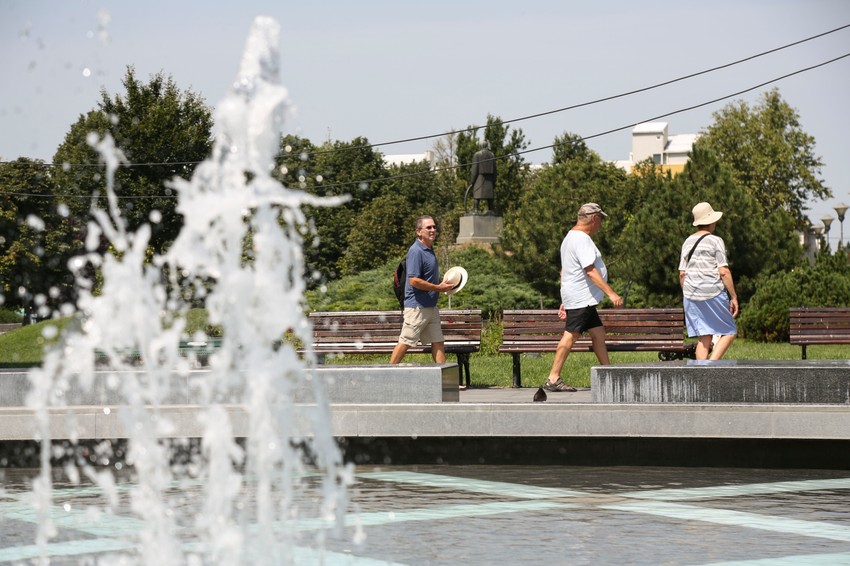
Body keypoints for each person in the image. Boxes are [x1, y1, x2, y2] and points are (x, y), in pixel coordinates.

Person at [542, 203, 623, 392]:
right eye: (600, 219)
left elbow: (566, 271)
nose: (601, 224)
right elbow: (590, 271)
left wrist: (565, 298)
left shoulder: (570, 237)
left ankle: (607, 374)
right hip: (582, 298)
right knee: (570, 336)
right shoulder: (582, 239)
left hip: (579, 297)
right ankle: (553, 378)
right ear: (594, 218)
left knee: (598, 333)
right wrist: (611, 293)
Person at [390, 215, 456, 364]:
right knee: (406, 341)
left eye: (434, 227)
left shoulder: (429, 249)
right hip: (417, 308)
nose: (433, 230)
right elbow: (413, 280)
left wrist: (442, 283)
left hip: (430, 307)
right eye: (429, 227)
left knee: (438, 342)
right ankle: (386, 376)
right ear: (419, 232)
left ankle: (444, 382)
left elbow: (426, 278)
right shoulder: (416, 251)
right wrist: (437, 288)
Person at [678, 202, 739, 360]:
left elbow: (682, 274)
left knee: (704, 337)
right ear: (711, 221)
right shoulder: (715, 240)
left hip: (691, 295)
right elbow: (724, 272)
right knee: (729, 331)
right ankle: (711, 367)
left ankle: (701, 375)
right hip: (712, 292)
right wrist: (733, 297)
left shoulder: (687, 242)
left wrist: (689, 293)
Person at [469, 142, 496, 215]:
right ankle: (491, 209)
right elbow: (494, 169)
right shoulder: (492, 155)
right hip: (489, 178)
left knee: (477, 194)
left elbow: (475, 168)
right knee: (489, 195)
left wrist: (472, 180)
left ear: (480, 146)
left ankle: (475, 209)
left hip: (479, 177)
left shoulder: (477, 155)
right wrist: (494, 180)